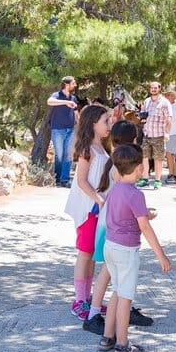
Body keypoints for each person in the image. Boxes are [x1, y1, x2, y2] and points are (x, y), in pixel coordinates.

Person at [99, 144, 171, 352]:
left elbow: (126, 213)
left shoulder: (115, 188)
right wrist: (161, 255)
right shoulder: (136, 194)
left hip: (110, 246)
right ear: (140, 167)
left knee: (117, 291)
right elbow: (144, 227)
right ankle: (122, 344)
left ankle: (107, 336)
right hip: (126, 251)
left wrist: (144, 213)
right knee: (125, 297)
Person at [83, 121, 154, 335]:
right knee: (109, 271)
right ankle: (95, 313)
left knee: (112, 272)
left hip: (110, 223)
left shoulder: (114, 162)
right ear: (133, 140)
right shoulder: (121, 167)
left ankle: (115, 310)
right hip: (114, 227)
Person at [64, 105, 111, 321]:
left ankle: (88, 296)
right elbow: (82, 181)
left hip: (98, 210)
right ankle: (79, 300)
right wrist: (98, 199)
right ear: (93, 124)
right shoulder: (87, 150)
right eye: (105, 121)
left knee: (92, 253)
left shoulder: (101, 147)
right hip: (88, 209)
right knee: (85, 253)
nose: (109, 124)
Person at [136, 81, 172, 189]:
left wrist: (167, 133)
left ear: (159, 89)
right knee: (144, 157)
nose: (153, 89)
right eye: (152, 88)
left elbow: (169, 118)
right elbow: (143, 115)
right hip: (147, 134)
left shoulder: (165, 102)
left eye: (155, 87)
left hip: (159, 135)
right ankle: (145, 178)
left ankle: (157, 180)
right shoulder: (146, 101)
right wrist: (141, 118)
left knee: (158, 158)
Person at [47, 76, 78, 187]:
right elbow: (49, 102)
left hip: (71, 130)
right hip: (58, 130)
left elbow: (76, 114)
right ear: (66, 84)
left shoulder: (73, 98)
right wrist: (65, 102)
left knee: (68, 155)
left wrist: (79, 126)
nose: (75, 85)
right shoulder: (56, 95)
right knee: (59, 155)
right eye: (73, 83)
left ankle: (65, 180)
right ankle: (57, 179)